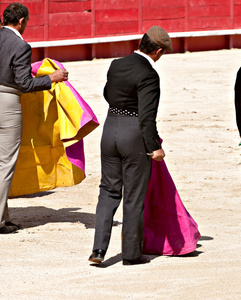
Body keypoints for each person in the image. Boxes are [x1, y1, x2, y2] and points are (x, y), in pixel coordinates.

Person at [88, 26, 172, 265]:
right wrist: (154, 146)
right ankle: (131, 254)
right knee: (133, 196)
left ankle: (98, 251)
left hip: (109, 129)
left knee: (108, 191)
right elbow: (147, 117)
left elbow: (107, 94)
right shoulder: (149, 74)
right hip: (133, 134)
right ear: (157, 51)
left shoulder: (116, 65)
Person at [0, 2, 68, 235]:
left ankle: (4, 216)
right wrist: (53, 78)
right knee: (5, 164)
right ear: (21, 22)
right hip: (7, 103)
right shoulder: (21, 45)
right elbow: (24, 83)